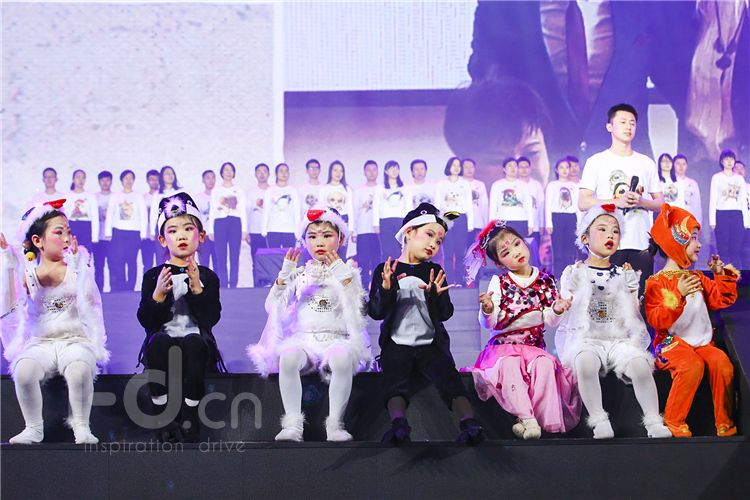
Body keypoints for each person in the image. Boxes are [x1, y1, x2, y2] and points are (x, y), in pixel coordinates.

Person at [248, 208, 370, 442]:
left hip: (337, 339)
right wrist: (284, 275)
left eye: (327, 235)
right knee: (288, 357)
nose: (319, 242)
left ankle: (335, 425)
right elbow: (271, 307)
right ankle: (293, 425)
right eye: (312, 236)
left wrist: (343, 275)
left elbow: (362, 310)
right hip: (305, 340)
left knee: (342, 359)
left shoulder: (348, 272)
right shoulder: (301, 274)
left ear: (340, 239)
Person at [368, 203, 484, 445]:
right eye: (429, 235)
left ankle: (470, 424)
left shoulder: (434, 270)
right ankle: (399, 426)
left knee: (450, 381)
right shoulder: (385, 269)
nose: (433, 244)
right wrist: (387, 289)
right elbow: (377, 312)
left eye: (439, 241)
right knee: (393, 382)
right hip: (397, 343)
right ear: (409, 232)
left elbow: (445, 313)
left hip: (431, 344)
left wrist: (436, 296)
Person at [555, 204, 671, 439]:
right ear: (585, 238)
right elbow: (567, 307)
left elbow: (632, 314)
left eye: (615, 231)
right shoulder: (574, 272)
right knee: (585, 364)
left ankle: (653, 421)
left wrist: (632, 292)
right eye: (602, 229)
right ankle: (599, 420)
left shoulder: (624, 273)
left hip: (618, 340)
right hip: (588, 339)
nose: (610, 235)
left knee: (640, 366)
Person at [1, 200, 108, 444]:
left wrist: (79, 267)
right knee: (24, 371)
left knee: (80, 370)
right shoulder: (28, 274)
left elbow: (92, 305)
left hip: (75, 340)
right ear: (38, 241)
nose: (66, 238)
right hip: (41, 342)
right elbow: (9, 306)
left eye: (68, 231)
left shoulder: (78, 268)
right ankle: (33, 428)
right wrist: (8, 262)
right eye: (59, 232)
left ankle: (81, 426)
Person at [463, 220, 580, 439]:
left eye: (517, 244)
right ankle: (527, 419)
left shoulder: (545, 280)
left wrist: (557, 309)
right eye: (506, 252)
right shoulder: (499, 282)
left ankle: (542, 423)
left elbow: (550, 319)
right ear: (500, 263)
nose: (516, 252)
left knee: (545, 364)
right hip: (503, 348)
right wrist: (487, 309)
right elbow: (490, 323)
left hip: (533, 347)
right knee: (509, 364)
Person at [137, 192, 226, 442]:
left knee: (194, 343)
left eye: (188, 229)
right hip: (163, 339)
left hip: (195, 338)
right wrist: (158, 295)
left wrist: (197, 288)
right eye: (173, 231)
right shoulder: (153, 275)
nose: (182, 236)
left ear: (201, 236)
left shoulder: (207, 276)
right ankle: (162, 414)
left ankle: (190, 413)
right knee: (158, 342)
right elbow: (146, 320)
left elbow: (210, 319)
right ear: (163, 240)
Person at [644, 204, 738, 438]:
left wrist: (720, 275)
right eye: (693, 238)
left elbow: (722, 299)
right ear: (676, 241)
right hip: (671, 344)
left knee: (722, 363)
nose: (699, 244)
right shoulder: (656, 282)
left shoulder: (697, 277)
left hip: (702, 344)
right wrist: (679, 294)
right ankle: (674, 420)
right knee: (691, 365)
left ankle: (724, 423)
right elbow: (657, 320)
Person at [578, 103, 664, 295]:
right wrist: (617, 202)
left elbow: (660, 203)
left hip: (640, 242)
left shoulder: (646, 163)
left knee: (639, 298)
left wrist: (641, 201)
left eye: (632, 123)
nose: (628, 127)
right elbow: (583, 201)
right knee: (606, 298)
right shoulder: (596, 161)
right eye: (623, 122)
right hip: (607, 243)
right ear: (610, 126)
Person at [105, 170, 148, 292]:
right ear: (121, 180)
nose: (128, 181)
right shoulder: (115, 196)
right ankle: (121, 287)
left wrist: (143, 233)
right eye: (126, 178)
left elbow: (143, 215)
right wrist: (108, 232)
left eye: (131, 178)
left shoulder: (138, 196)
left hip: (134, 232)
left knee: (131, 260)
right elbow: (110, 214)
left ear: (133, 181)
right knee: (119, 260)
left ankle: (130, 288)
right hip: (118, 232)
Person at [435, 157, 474, 284]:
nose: (456, 168)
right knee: (448, 253)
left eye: (458, 165)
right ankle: (450, 281)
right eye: (454, 165)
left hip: (461, 218)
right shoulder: (441, 184)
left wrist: (470, 224)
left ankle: (459, 281)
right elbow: (437, 205)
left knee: (460, 253)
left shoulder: (465, 184)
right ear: (448, 166)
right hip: (446, 218)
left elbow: (469, 204)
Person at [208, 162, 247, 289]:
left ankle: (234, 285)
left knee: (234, 255)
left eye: (231, 170)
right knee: (221, 256)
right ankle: (223, 285)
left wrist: (244, 229)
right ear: (221, 173)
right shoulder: (216, 190)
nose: (228, 172)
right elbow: (212, 210)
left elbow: (242, 210)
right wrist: (210, 230)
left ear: (234, 173)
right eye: (226, 170)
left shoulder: (239, 190)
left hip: (235, 222)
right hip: (220, 223)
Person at [709, 149, 748, 267]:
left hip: (737, 215)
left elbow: (743, 200)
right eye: (727, 159)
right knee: (723, 250)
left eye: (731, 159)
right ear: (722, 161)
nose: (729, 162)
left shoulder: (739, 179)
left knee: (736, 250)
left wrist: (746, 221)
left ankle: (737, 275)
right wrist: (712, 221)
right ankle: (723, 275)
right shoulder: (716, 177)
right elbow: (713, 199)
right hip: (721, 215)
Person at [545, 158, 579, 277]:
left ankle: (569, 277)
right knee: (558, 252)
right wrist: (549, 223)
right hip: (557, 218)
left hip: (571, 218)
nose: (565, 170)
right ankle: (558, 277)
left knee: (570, 251)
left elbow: (577, 206)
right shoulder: (552, 185)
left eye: (567, 167)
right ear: (556, 170)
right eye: (561, 167)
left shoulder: (574, 186)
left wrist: (579, 223)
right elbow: (548, 205)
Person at [489, 158, 536, 239]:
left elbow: (528, 206)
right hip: (502, 221)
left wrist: (530, 224)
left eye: (515, 166)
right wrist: (491, 225)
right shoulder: (497, 185)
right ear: (504, 169)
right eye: (510, 166)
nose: (513, 168)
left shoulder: (524, 185)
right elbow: (492, 206)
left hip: (521, 221)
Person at [375, 160, 412, 261]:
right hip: (385, 221)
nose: (394, 171)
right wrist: (376, 224)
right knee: (386, 250)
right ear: (386, 171)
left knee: (400, 249)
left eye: (396, 168)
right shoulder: (380, 188)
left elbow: (409, 206)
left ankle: (399, 270)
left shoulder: (405, 187)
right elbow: (376, 206)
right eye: (391, 169)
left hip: (400, 221)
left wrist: (409, 223)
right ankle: (386, 270)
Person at [353, 160, 381, 288]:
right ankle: (363, 289)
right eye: (369, 170)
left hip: (379, 232)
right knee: (363, 262)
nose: (372, 173)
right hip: (363, 231)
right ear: (364, 172)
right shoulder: (358, 191)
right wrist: (354, 231)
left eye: (374, 170)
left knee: (377, 261)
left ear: (378, 172)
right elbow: (354, 212)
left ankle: (376, 289)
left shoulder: (381, 189)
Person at [319, 161, 355, 258]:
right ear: (330, 172)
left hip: (343, 222)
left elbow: (351, 210)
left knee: (342, 254)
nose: (338, 173)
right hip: (328, 223)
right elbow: (321, 209)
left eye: (341, 171)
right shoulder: (324, 189)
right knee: (329, 253)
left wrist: (351, 229)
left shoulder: (347, 189)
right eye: (335, 170)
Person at [262, 163, 300, 249]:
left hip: (289, 229)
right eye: (281, 171)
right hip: (273, 229)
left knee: (289, 256)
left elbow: (297, 211)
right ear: (276, 174)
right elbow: (266, 210)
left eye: (286, 171)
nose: (284, 173)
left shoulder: (293, 191)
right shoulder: (270, 190)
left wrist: (298, 230)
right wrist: (264, 229)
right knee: (274, 255)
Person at [518, 156, 545, 266]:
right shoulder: (515, 185)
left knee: (534, 253)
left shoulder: (537, 185)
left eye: (526, 167)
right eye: (521, 167)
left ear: (530, 168)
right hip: (520, 223)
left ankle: (535, 272)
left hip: (536, 225)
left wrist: (542, 224)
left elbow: (541, 206)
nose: (524, 169)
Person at [64, 169, 99, 254]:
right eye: (78, 177)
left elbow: (95, 217)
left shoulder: (91, 196)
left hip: (86, 228)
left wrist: (95, 237)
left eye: (83, 178)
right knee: (71, 254)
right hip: (71, 226)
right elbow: (64, 216)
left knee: (85, 255)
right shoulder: (67, 196)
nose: (80, 180)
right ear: (73, 179)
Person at [246, 163, 270, 287]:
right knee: (256, 260)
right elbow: (246, 213)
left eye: (264, 171)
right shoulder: (251, 192)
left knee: (269, 259)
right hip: (255, 231)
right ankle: (257, 286)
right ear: (255, 174)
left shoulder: (273, 191)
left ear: (269, 174)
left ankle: (270, 284)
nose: (262, 174)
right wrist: (246, 231)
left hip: (270, 231)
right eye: (259, 171)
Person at [93, 171, 113, 291]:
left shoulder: (115, 197)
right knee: (98, 266)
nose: (105, 183)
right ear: (99, 182)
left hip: (112, 238)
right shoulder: (94, 197)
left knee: (113, 265)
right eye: (102, 180)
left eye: (107, 180)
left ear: (111, 181)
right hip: (98, 238)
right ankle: (99, 292)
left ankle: (114, 293)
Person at [462, 158, 489, 245]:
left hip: (477, 223)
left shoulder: (480, 185)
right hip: (462, 223)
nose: (469, 169)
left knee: (475, 248)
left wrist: (486, 224)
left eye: (471, 167)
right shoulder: (458, 184)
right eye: (466, 167)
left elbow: (484, 205)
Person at [194, 169, 216, 268]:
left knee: (218, 264)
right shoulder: (198, 198)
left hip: (217, 235)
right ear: (203, 180)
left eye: (213, 178)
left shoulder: (218, 196)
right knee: (204, 264)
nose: (211, 180)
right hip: (203, 236)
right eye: (208, 178)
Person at [673, 154, 703, 226]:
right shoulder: (669, 183)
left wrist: (698, 223)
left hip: (688, 220)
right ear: (673, 165)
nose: (681, 166)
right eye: (678, 164)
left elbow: (697, 205)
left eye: (684, 164)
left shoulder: (693, 183)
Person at [141, 169, 161, 271]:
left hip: (160, 235)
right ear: (147, 181)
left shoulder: (162, 196)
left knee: (161, 263)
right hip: (146, 236)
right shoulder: (143, 198)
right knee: (147, 264)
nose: (154, 182)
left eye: (156, 179)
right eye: (151, 179)